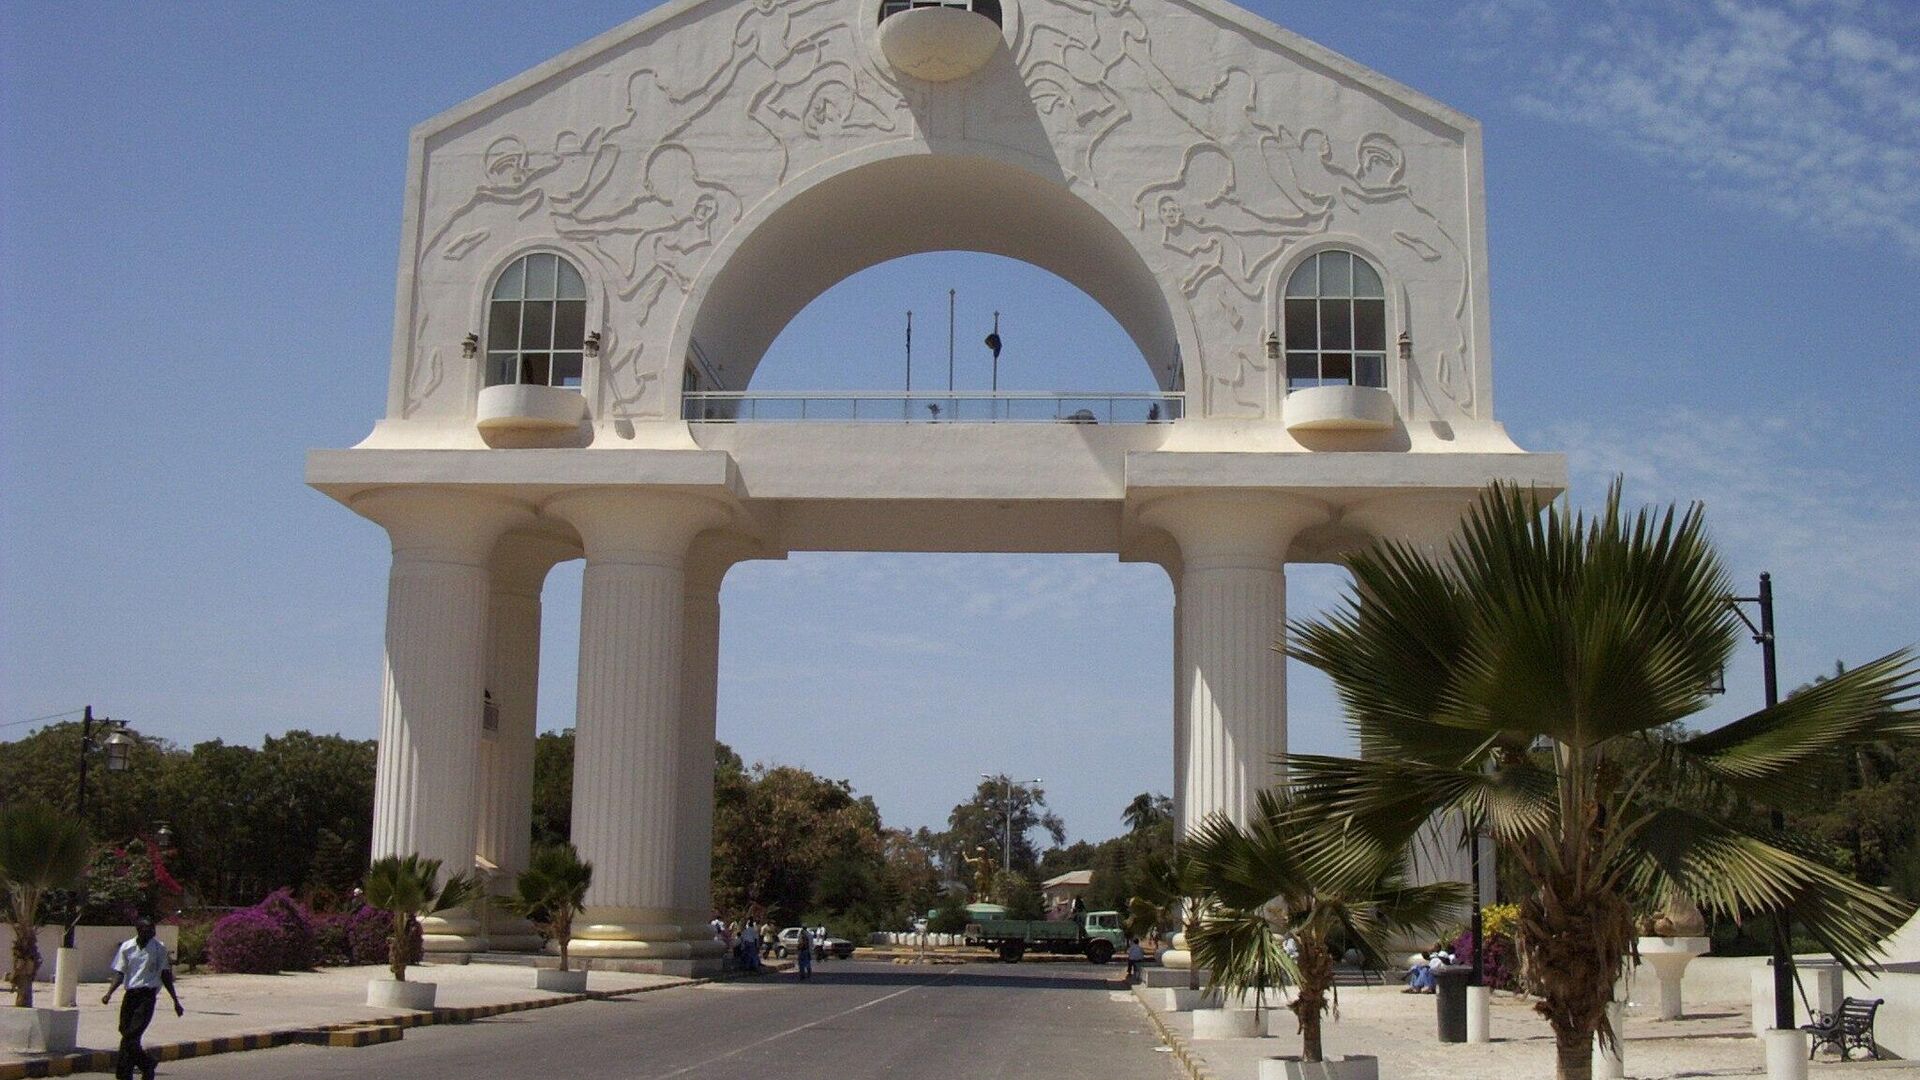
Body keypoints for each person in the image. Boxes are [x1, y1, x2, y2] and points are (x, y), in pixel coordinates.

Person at [101, 917, 183, 1080]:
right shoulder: (127, 947)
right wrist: (109, 993)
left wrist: (175, 1001)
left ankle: (139, 1066)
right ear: (139, 930)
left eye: (153, 929)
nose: (152, 932)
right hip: (131, 995)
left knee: (132, 1034)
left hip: (147, 996)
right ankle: (134, 1069)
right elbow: (120, 972)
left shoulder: (159, 948)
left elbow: (165, 975)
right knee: (125, 1032)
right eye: (148, 929)